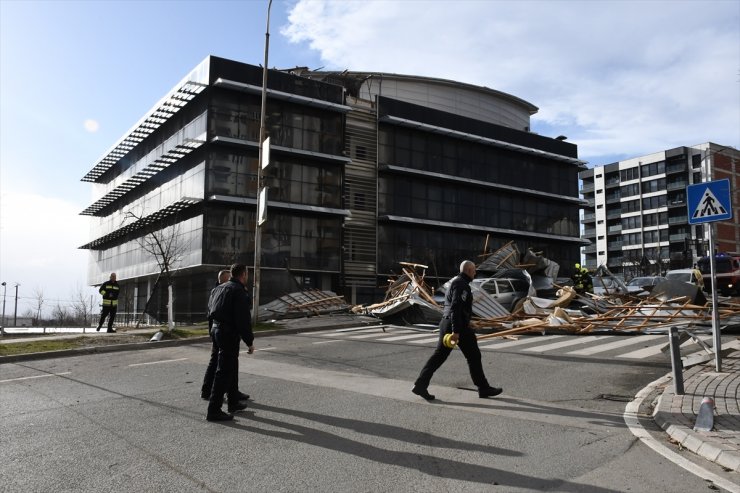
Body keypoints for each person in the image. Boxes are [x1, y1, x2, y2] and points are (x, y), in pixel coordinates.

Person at [412, 260, 502, 401]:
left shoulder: (458, 282)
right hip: (455, 326)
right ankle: (483, 388)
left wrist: (468, 321)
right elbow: (455, 308)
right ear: (468, 271)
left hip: (448, 323)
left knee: (439, 356)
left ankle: (420, 385)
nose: (475, 273)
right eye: (473, 270)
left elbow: (458, 309)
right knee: (473, 356)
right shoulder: (461, 285)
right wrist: (456, 331)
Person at [205, 263, 254, 422]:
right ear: (243, 274)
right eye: (247, 274)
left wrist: (212, 332)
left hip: (217, 330)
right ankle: (214, 410)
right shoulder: (238, 291)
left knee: (230, 366)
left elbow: (210, 311)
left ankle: (233, 402)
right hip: (228, 333)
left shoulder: (220, 288)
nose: (247, 276)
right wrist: (249, 341)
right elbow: (243, 319)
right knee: (224, 371)